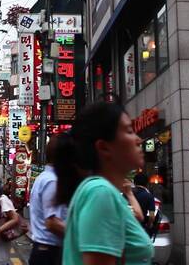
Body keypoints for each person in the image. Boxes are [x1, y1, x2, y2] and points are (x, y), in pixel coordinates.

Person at [60, 101, 154, 265]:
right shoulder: (100, 193)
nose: (138, 139)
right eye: (129, 131)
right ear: (104, 147)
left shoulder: (103, 192)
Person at [28, 135, 68, 265]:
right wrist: (81, 234)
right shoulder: (52, 181)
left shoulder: (45, 177)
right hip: (49, 253)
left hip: (46, 251)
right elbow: (52, 223)